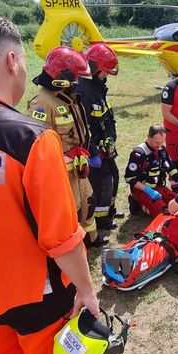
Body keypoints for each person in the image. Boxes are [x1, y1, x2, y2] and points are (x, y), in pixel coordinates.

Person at [0, 11, 100, 354]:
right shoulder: (32, 138)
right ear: (12, 61)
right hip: (39, 297)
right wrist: (86, 289)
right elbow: (62, 238)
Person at [27, 46, 107, 247]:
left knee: (87, 202)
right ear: (61, 75)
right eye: (75, 78)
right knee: (70, 210)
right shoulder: (43, 104)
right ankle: (73, 246)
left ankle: (91, 237)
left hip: (79, 168)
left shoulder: (68, 96)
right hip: (62, 171)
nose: (77, 83)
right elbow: (38, 147)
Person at [76, 43, 124, 230]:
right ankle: (102, 221)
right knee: (102, 183)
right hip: (94, 149)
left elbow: (104, 116)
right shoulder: (84, 91)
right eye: (104, 72)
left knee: (114, 175)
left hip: (105, 146)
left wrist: (110, 139)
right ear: (94, 69)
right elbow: (84, 125)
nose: (106, 76)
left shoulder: (97, 87)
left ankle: (110, 210)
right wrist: (93, 150)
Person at [125, 124, 178, 218]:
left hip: (158, 187)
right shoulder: (139, 154)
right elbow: (129, 178)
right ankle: (137, 201)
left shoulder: (161, 149)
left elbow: (170, 166)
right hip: (142, 190)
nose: (159, 145)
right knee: (164, 213)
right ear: (148, 137)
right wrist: (147, 190)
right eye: (156, 142)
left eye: (162, 142)